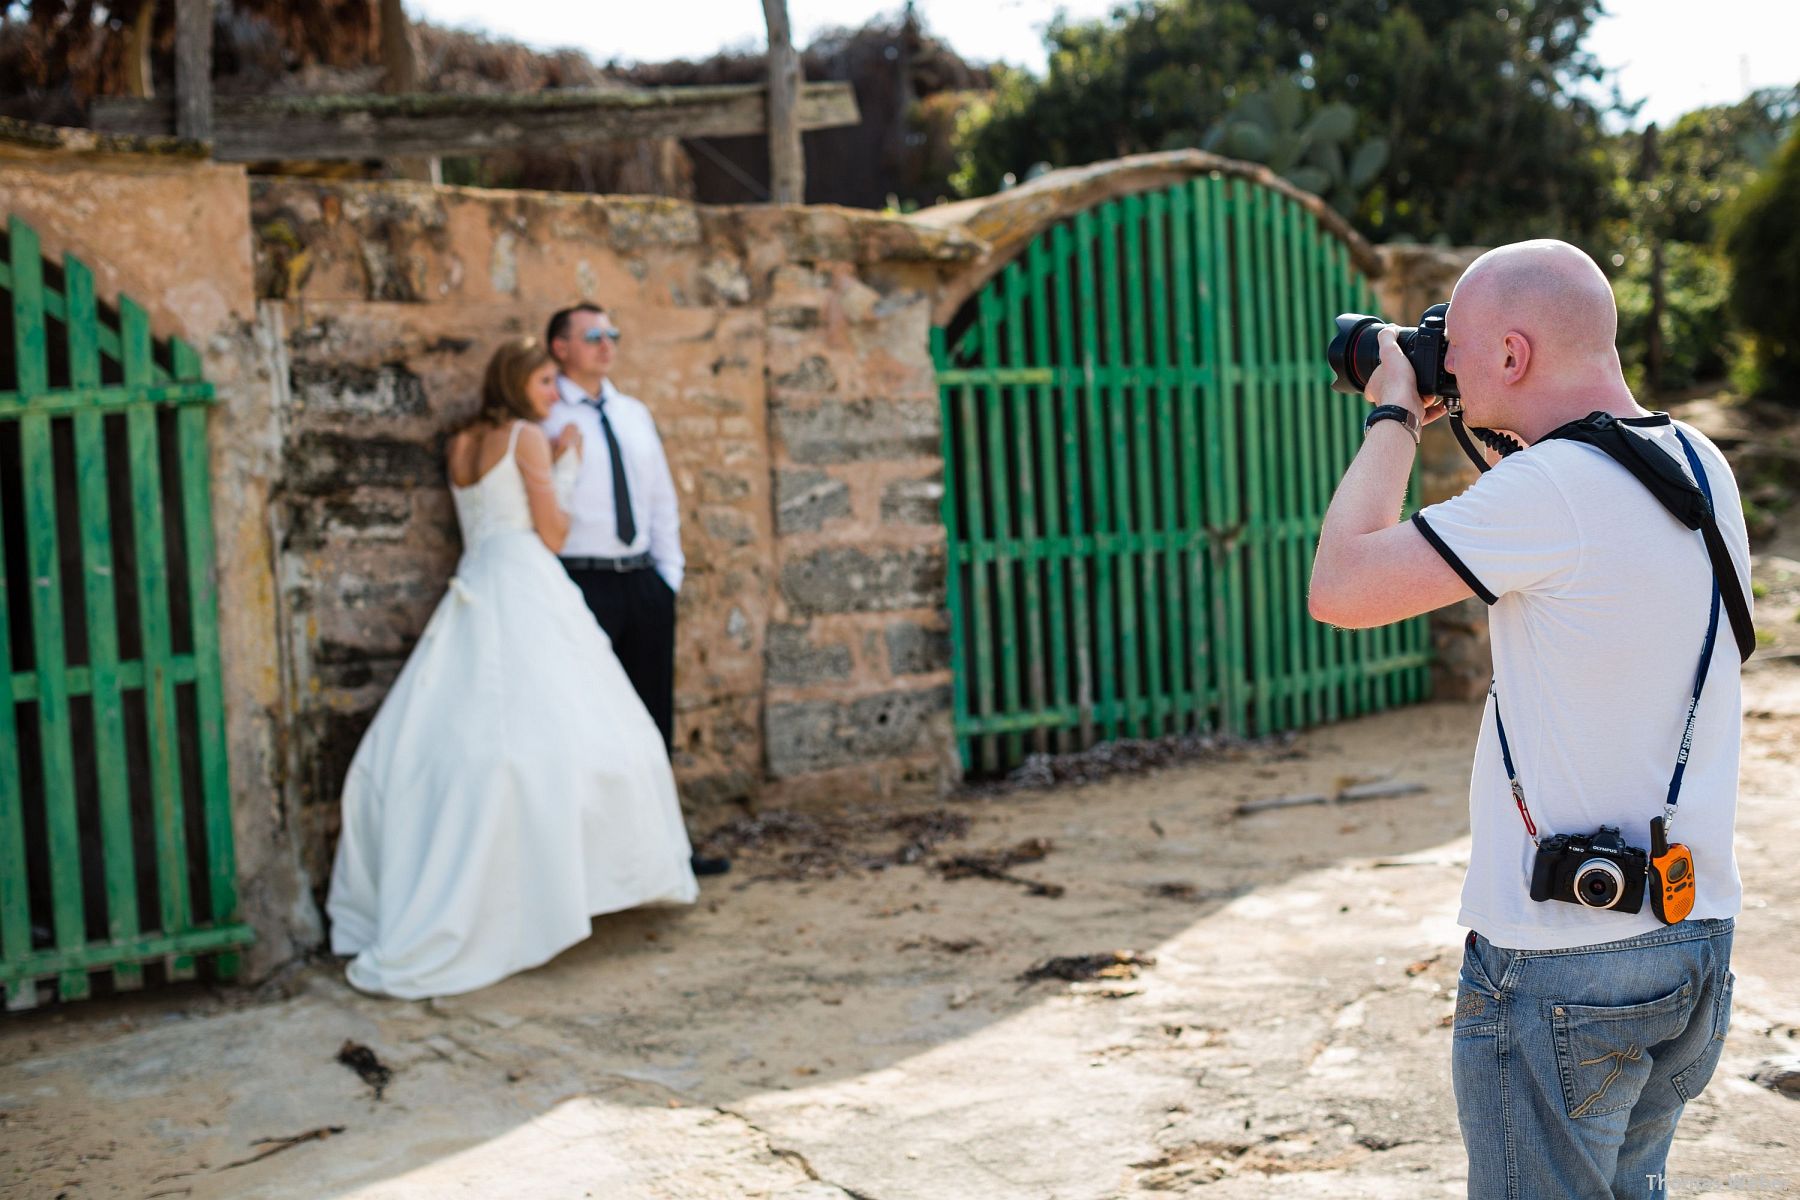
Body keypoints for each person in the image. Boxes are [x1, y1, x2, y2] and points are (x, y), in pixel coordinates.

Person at [1308, 240, 1745, 1198]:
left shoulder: (1549, 494)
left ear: (1512, 355)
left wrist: (1393, 412)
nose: (1445, 369)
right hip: (1690, 939)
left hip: (1564, 965)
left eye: (1454, 348)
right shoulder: (1697, 463)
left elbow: (1339, 584)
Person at [326, 338, 698, 999]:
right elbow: (551, 535)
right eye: (548, 381)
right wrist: (569, 469)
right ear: (520, 383)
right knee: (566, 729)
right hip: (526, 576)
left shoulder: (461, 443)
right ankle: (563, 883)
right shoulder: (527, 437)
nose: (555, 394)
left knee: (459, 723)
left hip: (476, 576)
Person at [542, 303, 728, 876]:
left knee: (652, 720)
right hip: (581, 582)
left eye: (612, 334)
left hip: (642, 581)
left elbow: (660, 501)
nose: (607, 344)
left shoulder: (634, 414)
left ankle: (667, 851)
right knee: (586, 721)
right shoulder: (546, 418)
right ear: (560, 348)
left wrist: (666, 579)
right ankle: (597, 863)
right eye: (592, 335)